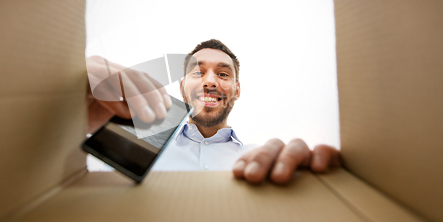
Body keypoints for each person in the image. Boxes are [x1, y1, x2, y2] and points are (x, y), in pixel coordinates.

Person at [86, 40, 340, 184]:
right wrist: (67, 113)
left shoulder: (262, 161)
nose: (210, 82)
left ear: (236, 90)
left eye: (223, 74)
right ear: (183, 89)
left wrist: (311, 183)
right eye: (198, 72)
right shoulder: (129, 148)